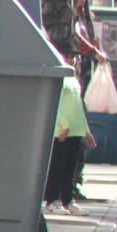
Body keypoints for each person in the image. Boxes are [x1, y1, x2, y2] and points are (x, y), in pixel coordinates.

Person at [44, 66, 96, 217]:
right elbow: (52, 103)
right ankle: (51, 201)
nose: (74, 60)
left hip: (75, 131)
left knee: (70, 169)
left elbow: (78, 106)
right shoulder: (59, 78)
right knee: (56, 167)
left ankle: (68, 200)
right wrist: (63, 124)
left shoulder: (74, 79)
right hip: (61, 131)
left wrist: (86, 131)